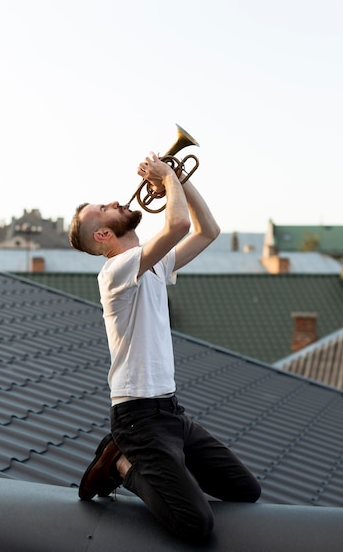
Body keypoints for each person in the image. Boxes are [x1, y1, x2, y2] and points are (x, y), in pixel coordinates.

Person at [69, 151, 261, 543]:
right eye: (104, 209)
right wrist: (167, 178)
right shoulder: (116, 271)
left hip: (171, 412)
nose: (115, 202)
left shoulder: (153, 264)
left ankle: (156, 464)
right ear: (103, 235)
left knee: (247, 491)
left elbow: (208, 231)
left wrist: (178, 178)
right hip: (139, 420)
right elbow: (178, 223)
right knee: (197, 525)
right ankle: (121, 464)